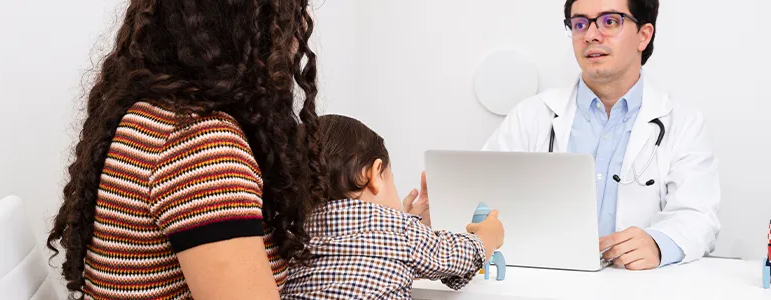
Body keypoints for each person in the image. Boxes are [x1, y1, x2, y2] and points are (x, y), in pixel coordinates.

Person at [45, 1, 327, 299]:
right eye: (289, 11)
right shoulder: (201, 146)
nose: (303, 24)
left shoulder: (155, 115)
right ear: (244, 25)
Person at [480, 0, 720, 270]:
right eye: (580, 23)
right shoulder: (532, 116)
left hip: (634, 288)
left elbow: (699, 216)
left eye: (610, 21)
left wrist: (658, 244)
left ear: (644, 35)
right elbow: (483, 200)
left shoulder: (682, 122)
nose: (591, 35)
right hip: (542, 280)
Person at [280, 115, 504, 299]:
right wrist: (486, 240)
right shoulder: (402, 232)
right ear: (375, 174)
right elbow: (457, 257)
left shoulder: (292, 236)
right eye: (392, 180)